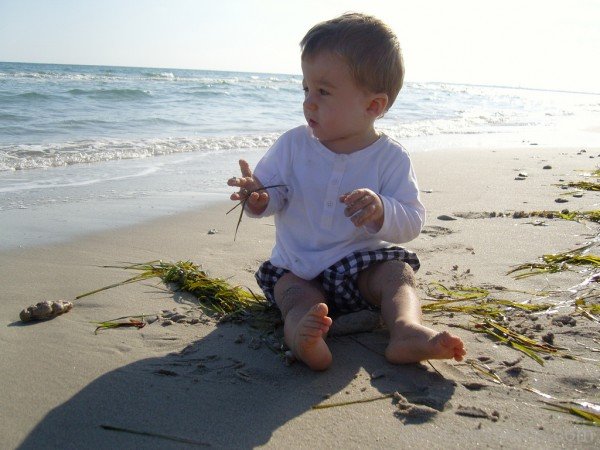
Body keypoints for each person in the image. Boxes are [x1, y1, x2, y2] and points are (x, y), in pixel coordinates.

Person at [228, 13, 465, 370]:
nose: (309, 102)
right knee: (293, 298)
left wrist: (383, 210)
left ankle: (406, 330)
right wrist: (259, 198)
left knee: (398, 274)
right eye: (305, 88)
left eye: (323, 91)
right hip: (298, 268)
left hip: (360, 268)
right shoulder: (293, 145)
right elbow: (271, 193)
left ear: (373, 106)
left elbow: (413, 220)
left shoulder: (390, 157)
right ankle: (302, 337)